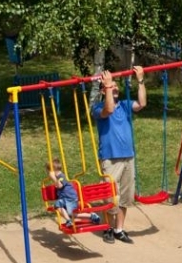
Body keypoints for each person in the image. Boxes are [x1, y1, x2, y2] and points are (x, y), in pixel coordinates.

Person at [91, 66, 147, 244]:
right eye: (111, 86)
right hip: (110, 158)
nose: (115, 88)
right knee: (109, 196)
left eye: (115, 86)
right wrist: (107, 85)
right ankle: (108, 228)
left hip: (128, 156)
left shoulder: (124, 105)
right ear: (103, 91)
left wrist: (140, 80)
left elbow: (142, 104)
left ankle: (119, 230)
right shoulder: (97, 108)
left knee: (125, 196)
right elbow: (108, 110)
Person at [46, 158, 100, 229]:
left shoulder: (61, 176)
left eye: (48, 171)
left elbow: (60, 185)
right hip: (65, 199)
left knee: (69, 212)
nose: (48, 174)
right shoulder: (58, 177)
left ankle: (90, 216)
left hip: (70, 198)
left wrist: (53, 177)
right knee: (60, 207)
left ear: (52, 170)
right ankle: (70, 220)